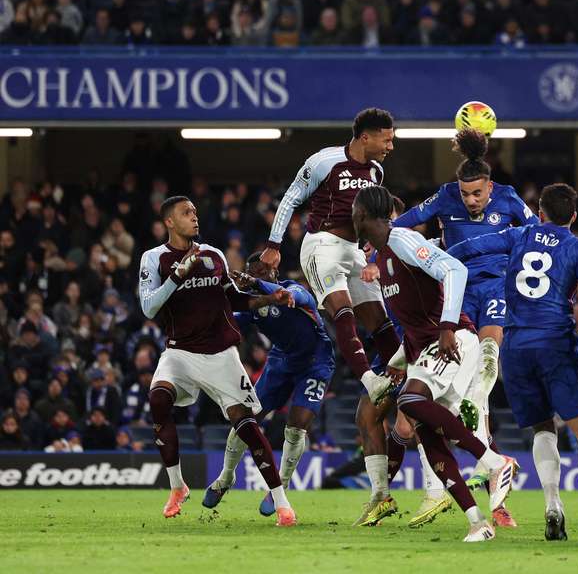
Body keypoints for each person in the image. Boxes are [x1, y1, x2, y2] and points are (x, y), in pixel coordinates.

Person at [449, 182, 578, 543]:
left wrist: (428, 257)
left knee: (543, 428)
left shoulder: (518, 235)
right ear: (573, 216)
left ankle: (552, 505)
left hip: (514, 348)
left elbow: (470, 248)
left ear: (540, 212)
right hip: (554, 344)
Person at [352, 185, 518, 543]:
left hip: (454, 341)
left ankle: (494, 462)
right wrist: (398, 361)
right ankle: (478, 522)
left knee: (410, 402)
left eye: (353, 211)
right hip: (425, 351)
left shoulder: (403, 241)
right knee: (428, 435)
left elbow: (454, 269)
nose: (350, 216)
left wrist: (447, 328)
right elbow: (413, 325)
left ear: (364, 215)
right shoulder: (381, 258)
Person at [260, 108, 401, 519]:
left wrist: (374, 245)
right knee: (341, 311)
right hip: (320, 244)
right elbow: (289, 199)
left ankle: (403, 379)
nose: (390, 147)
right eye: (386, 139)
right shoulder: (324, 160)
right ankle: (370, 380)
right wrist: (274, 244)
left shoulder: (375, 173)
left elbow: (372, 218)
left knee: (382, 324)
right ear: (365, 136)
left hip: (356, 251)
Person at [392, 129, 538, 526]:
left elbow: (541, 236)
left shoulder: (508, 198)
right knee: (446, 400)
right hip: (453, 296)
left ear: (490, 186)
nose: (470, 201)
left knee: (487, 369)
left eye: (477, 194)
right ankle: (486, 475)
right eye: (465, 194)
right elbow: (402, 226)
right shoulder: (444, 196)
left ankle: (493, 487)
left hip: (494, 290)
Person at [138, 195, 297, 525]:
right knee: (157, 399)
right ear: (169, 222)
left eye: (195, 211)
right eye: (186, 213)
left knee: (247, 425)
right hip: (179, 352)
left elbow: (234, 298)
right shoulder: (154, 258)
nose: (194, 217)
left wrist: (270, 297)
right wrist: (176, 277)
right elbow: (149, 307)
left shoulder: (212, 255)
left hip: (220, 355)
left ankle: (282, 503)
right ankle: (177, 486)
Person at [203, 252, 334, 519]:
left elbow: (297, 298)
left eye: (264, 272)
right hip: (281, 362)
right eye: (255, 272)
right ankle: (225, 478)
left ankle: (280, 487)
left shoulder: (293, 290)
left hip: (316, 361)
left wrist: (253, 281)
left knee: (297, 426)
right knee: (247, 419)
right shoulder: (254, 306)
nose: (259, 276)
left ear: (274, 272)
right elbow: (228, 322)